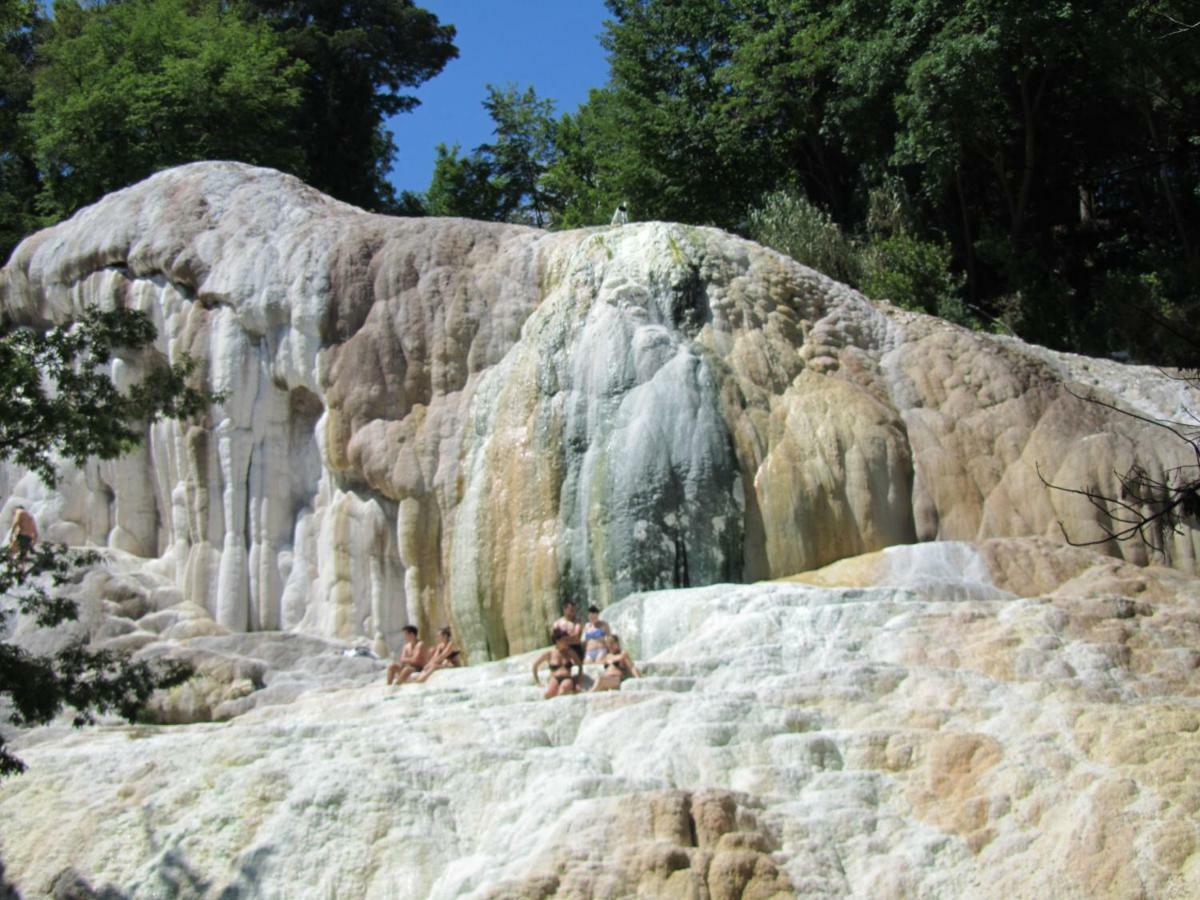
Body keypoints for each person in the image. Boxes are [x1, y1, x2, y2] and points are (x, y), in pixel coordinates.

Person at [532, 627, 583, 699]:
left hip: (567, 678)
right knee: (549, 694)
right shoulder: (549, 654)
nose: (566, 642)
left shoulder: (570, 652)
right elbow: (535, 665)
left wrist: (579, 681)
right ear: (557, 641)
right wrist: (537, 682)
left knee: (563, 690)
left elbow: (580, 666)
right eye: (564, 640)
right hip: (554, 678)